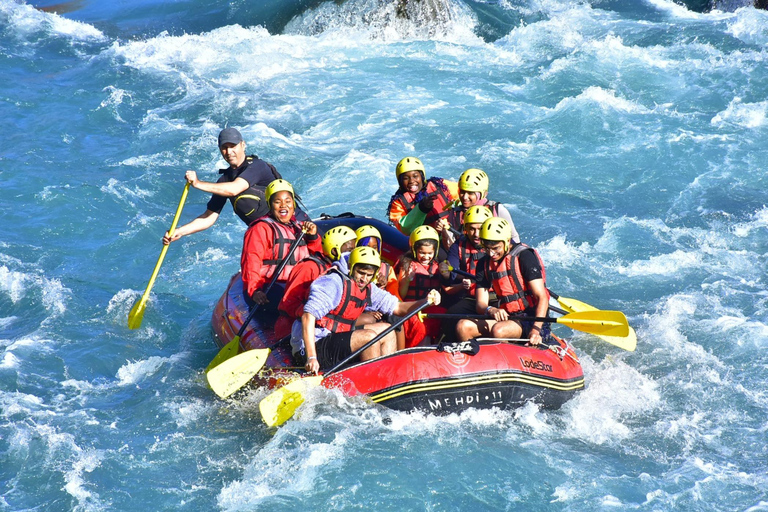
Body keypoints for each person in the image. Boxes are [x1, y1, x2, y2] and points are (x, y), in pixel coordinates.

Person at [293, 246, 441, 374]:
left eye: (369, 275)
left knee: (387, 330)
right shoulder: (332, 282)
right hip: (311, 346)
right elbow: (308, 316)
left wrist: (426, 301)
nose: (364, 279)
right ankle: (372, 380)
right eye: (361, 273)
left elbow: (398, 307)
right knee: (368, 337)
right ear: (352, 267)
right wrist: (311, 357)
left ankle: (388, 376)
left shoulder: (368, 287)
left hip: (336, 336)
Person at [163, 127, 282, 244]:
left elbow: (234, 189)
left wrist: (197, 183)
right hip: (265, 235)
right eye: (224, 148)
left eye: (233, 146)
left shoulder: (257, 166)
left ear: (243, 145)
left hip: (288, 228)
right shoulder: (225, 180)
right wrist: (179, 231)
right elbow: (209, 217)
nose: (229, 152)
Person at [456, 217, 550, 346]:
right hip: (508, 317)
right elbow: (480, 305)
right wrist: (491, 310)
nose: (491, 253)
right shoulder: (484, 263)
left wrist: (535, 330)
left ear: (506, 241)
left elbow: (542, 297)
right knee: (463, 326)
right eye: (486, 248)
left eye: (495, 248)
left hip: (532, 319)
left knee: (498, 330)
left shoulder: (524, 256)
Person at [241, 179, 320, 313]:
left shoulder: (301, 228)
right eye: (277, 202)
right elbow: (251, 261)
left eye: (288, 201)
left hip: (296, 285)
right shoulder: (261, 228)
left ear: (294, 204)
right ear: (270, 205)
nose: (283, 205)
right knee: (300, 306)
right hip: (268, 287)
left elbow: (318, 259)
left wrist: (312, 237)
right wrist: (255, 290)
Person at [273, 225, 357, 339]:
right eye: (350, 251)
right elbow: (289, 305)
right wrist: (321, 314)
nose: (352, 256)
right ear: (334, 251)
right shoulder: (308, 268)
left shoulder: (339, 270)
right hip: (293, 329)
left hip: (323, 326)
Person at [439, 205, 495, 337]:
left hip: (496, 298)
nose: (476, 234)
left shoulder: (497, 246)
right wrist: (446, 273)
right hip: (473, 297)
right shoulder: (458, 246)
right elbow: (452, 273)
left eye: (480, 229)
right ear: (465, 229)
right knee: (450, 316)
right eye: (472, 229)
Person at [396, 226, 455, 346]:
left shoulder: (438, 265)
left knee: (445, 317)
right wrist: (407, 280)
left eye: (430, 253)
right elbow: (401, 294)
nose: (426, 257)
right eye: (422, 253)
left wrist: (446, 277)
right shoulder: (407, 265)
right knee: (421, 328)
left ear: (435, 251)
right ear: (414, 250)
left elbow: (447, 289)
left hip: (431, 309)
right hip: (412, 308)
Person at [441, 168, 519, 249]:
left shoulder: (497, 210)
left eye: (470, 193)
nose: (465, 197)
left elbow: (514, 237)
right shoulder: (455, 213)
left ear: (484, 194)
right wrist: (444, 231)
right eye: (462, 192)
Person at [385, 156, 458, 236]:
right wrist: (422, 208)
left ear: (422, 176)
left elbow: (462, 193)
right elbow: (405, 229)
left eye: (415, 176)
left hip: (452, 231)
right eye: (406, 178)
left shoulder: (440, 185)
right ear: (400, 182)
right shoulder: (398, 203)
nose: (411, 181)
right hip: (426, 242)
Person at [354, 224, 399, 296]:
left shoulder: (387, 270)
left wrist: (382, 286)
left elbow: (395, 296)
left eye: (374, 247)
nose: (371, 250)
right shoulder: (350, 266)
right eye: (367, 246)